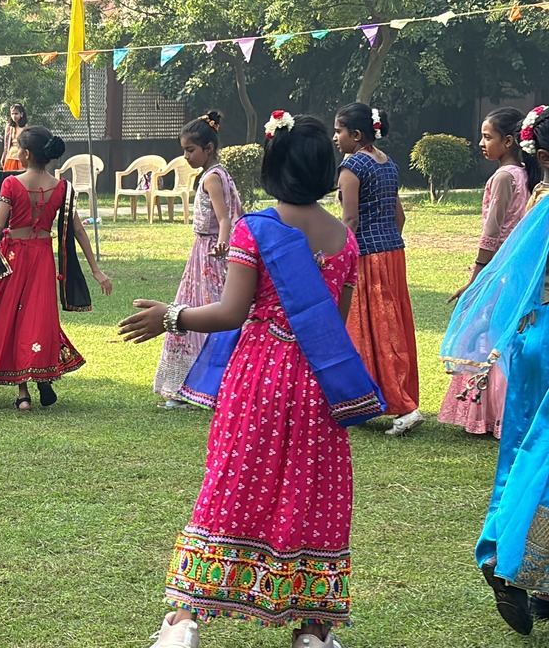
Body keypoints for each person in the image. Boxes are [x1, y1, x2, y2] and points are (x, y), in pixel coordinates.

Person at [119, 112, 385, 648]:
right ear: (326, 171)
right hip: (317, 383)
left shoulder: (256, 228)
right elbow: (334, 325)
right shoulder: (345, 241)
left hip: (259, 376)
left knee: (232, 481)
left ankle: (184, 621)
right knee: (313, 490)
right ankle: (313, 629)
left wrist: (171, 316)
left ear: (273, 166)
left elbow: (231, 312)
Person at [440, 104, 549, 636]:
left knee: (525, 451)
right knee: (536, 454)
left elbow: (517, 278)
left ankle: (515, 563)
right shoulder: (542, 203)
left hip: (536, 335)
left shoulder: (541, 200)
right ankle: (513, 561)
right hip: (543, 338)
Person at [0, 126, 112, 410]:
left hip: (14, 259)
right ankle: (42, 375)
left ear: (25, 154)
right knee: (39, 317)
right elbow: (78, 230)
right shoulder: (62, 188)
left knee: (13, 317)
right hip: (42, 259)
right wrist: (96, 270)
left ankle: (23, 393)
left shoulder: (12, 184)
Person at [439, 107, 537, 438]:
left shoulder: (504, 177)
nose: (481, 143)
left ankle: (492, 414)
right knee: (503, 335)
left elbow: (491, 233)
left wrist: (476, 278)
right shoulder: (524, 174)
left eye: (487, 137)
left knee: (490, 336)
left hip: (500, 269)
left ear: (508, 141)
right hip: (516, 269)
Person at [333, 103, 421, 436]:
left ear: (356, 134)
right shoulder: (388, 164)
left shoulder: (352, 166)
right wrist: (386, 244)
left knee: (374, 329)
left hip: (366, 257)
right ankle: (374, 399)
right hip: (393, 253)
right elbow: (400, 217)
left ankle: (401, 404)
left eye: (339, 131)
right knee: (393, 324)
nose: (335, 137)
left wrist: (339, 258)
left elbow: (350, 220)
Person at [152, 112, 244, 407]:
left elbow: (224, 217)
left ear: (209, 148)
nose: (186, 156)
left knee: (196, 312)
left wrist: (222, 243)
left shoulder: (213, 178)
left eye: (190, 150)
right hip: (208, 251)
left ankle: (191, 386)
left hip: (210, 254)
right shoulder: (220, 174)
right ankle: (201, 384)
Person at [1, 103, 29, 172]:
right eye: (12, 114)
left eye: (16, 113)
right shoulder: (9, 127)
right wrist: (3, 157)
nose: (14, 116)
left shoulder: (25, 127)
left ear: (21, 114)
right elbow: (6, 145)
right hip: (11, 155)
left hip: (21, 154)